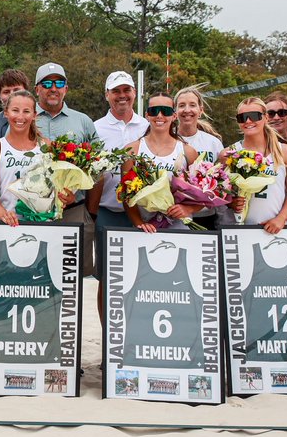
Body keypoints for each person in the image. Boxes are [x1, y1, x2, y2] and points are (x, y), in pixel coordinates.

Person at [31, 62, 97, 274]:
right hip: (32, 212)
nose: (53, 88)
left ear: (66, 89)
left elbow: (98, 166)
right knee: (34, 275)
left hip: (72, 211)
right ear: (37, 89)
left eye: (59, 83)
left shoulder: (83, 121)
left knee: (72, 278)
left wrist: (80, 199)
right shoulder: (24, 118)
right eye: (47, 83)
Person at [90, 71, 148, 287]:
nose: (122, 96)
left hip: (143, 213)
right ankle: (106, 322)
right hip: (107, 211)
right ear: (107, 95)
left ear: (135, 93)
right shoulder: (95, 128)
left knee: (139, 277)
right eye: (116, 91)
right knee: (106, 280)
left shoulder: (147, 127)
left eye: (126, 90)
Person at [123, 93, 201, 233]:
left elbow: (202, 193)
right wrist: (139, 223)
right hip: (145, 228)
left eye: (165, 111)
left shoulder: (188, 152)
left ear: (174, 115)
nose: (159, 116)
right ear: (147, 115)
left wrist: (187, 209)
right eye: (154, 111)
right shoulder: (132, 150)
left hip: (179, 226)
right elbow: (125, 195)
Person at [225, 97, 287, 233]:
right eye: (242, 118)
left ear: (266, 117)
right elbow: (221, 193)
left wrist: (281, 218)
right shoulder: (229, 153)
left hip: (275, 228)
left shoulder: (284, 151)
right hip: (240, 230)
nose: (248, 121)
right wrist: (231, 202)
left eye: (254, 116)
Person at [0, 90, 49, 226]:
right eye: (15, 110)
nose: (20, 116)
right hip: (6, 224)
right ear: (6, 113)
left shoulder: (47, 146)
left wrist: (66, 197)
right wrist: (3, 214)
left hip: (42, 225)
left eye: (26, 111)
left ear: (34, 115)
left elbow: (58, 187)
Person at [174, 85, 224, 229]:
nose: (187, 110)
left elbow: (221, 183)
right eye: (181, 105)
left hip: (206, 217)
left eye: (192, 105)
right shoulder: (167, 140)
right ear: (175, 112)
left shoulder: (213, 143)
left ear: (201, 110)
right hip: (173, 217)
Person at [0, 69, 29, 138]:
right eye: (6, 92)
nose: (12, 95)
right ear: (0, 96)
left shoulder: (40, 120)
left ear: (27, 92)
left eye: (17, 90)